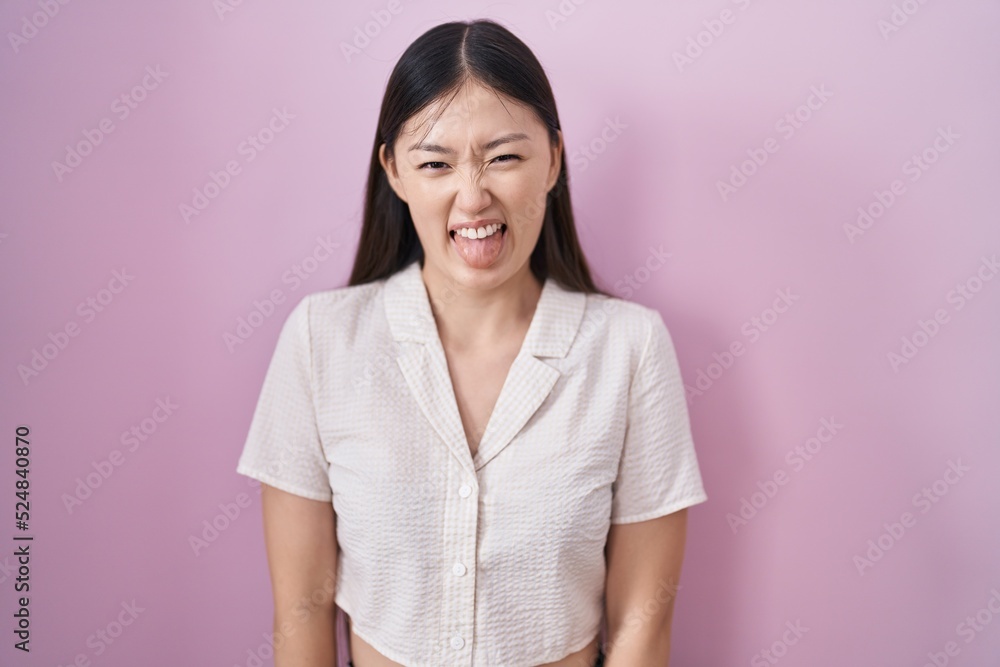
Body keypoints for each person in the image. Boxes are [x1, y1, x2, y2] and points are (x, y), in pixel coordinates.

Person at [236, 18, 708, 667]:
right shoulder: (322, 341)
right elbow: (301, 612)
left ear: (554, 160)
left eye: (504, 156)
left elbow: (640, 626)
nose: (473, 195)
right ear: (394, 172)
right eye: (436, 163)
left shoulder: (629, 349)